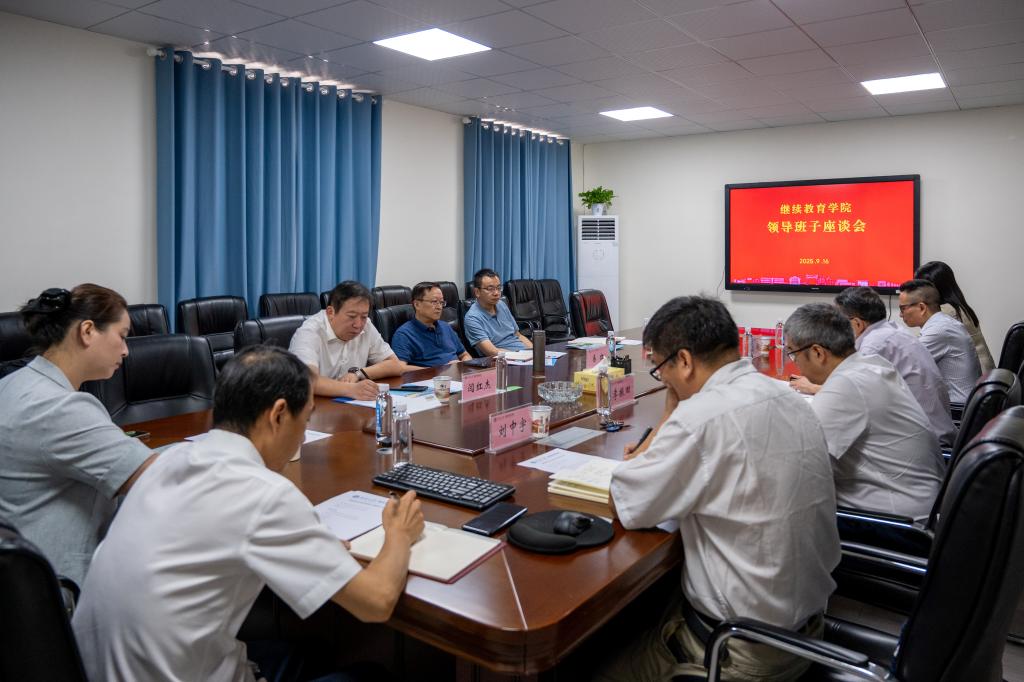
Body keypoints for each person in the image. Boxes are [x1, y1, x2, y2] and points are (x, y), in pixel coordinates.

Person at [72, 346, 424, 681]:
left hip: (99, 669)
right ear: (278, 415)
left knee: (312, 651)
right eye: (304, 421)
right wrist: (399, 534)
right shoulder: (264, 494)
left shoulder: (169, 459)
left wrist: (307, 543)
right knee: (374, 674)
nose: (302, 437)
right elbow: (376, 602)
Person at [601, 296, 839, 682]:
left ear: (684, 361)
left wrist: (668, 414)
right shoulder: (791, 397)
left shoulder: (700, 418)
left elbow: (625, 501)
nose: (664, 380)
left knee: (594, 665)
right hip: (808, 632)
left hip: (740, 653)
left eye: (660, 369)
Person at [0, 285, 155, 587]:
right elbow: (156, 478)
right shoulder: (60, 407)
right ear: (87, 331)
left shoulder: (11, 384)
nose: (126, 350)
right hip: (62, 587)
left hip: (20, 583)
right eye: (122, 336)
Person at [785, 303, 945, 521]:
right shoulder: (870, 364)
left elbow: (800, 467)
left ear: (817, 353)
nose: (795, 364)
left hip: (895, 522)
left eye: (793, 354)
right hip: (924, 504)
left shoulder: (846, 385)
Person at [789, 287, 956, 447]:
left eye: (838, 323)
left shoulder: (874, 345)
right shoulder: (888, 331)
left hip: (928, 438)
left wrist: (812, 387)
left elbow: (850, 393)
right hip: (926, 430)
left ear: (857, 324)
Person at [289, 280, 403, 399]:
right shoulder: (309, 332)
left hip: (347, 404)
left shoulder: (367, 325)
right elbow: (308, 381)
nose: (358, 325)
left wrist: (358, 373)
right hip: (314, 405)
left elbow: (396, 365)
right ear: (330, 312)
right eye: (351, 316)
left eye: (364, 316)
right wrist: (351, 389)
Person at [898, 279, 982, 404]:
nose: (900, 315)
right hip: (961, 404)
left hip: (957, 409)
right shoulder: (943, 323)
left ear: (922, 307)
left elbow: (902, 366)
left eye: (903, 308)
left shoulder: (940, 330)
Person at [915, 260, 994, 371]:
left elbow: (919, 352)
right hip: (986, 372)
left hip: (976, 376)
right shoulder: (959, 307)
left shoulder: (945, 313)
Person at [390, 281, 471, 368]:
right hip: (430, 376)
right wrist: (440, 371)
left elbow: (465, 355)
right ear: (417, 304)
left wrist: (461, 365)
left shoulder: (446, 327)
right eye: (434, 302)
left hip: (457, 374)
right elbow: (400, 369)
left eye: (441, 302)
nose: (439, 307)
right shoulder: (404, 334)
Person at [463, 268, 532, 356]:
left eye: (499, 288)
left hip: (524, 355)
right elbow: (492, 351)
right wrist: (521, 356)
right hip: (503, 360)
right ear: (477, 292)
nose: (496, 293)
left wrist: (535, 352)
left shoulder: (501, 304)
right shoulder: (472, 318)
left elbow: (518, 335)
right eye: (490, 289)